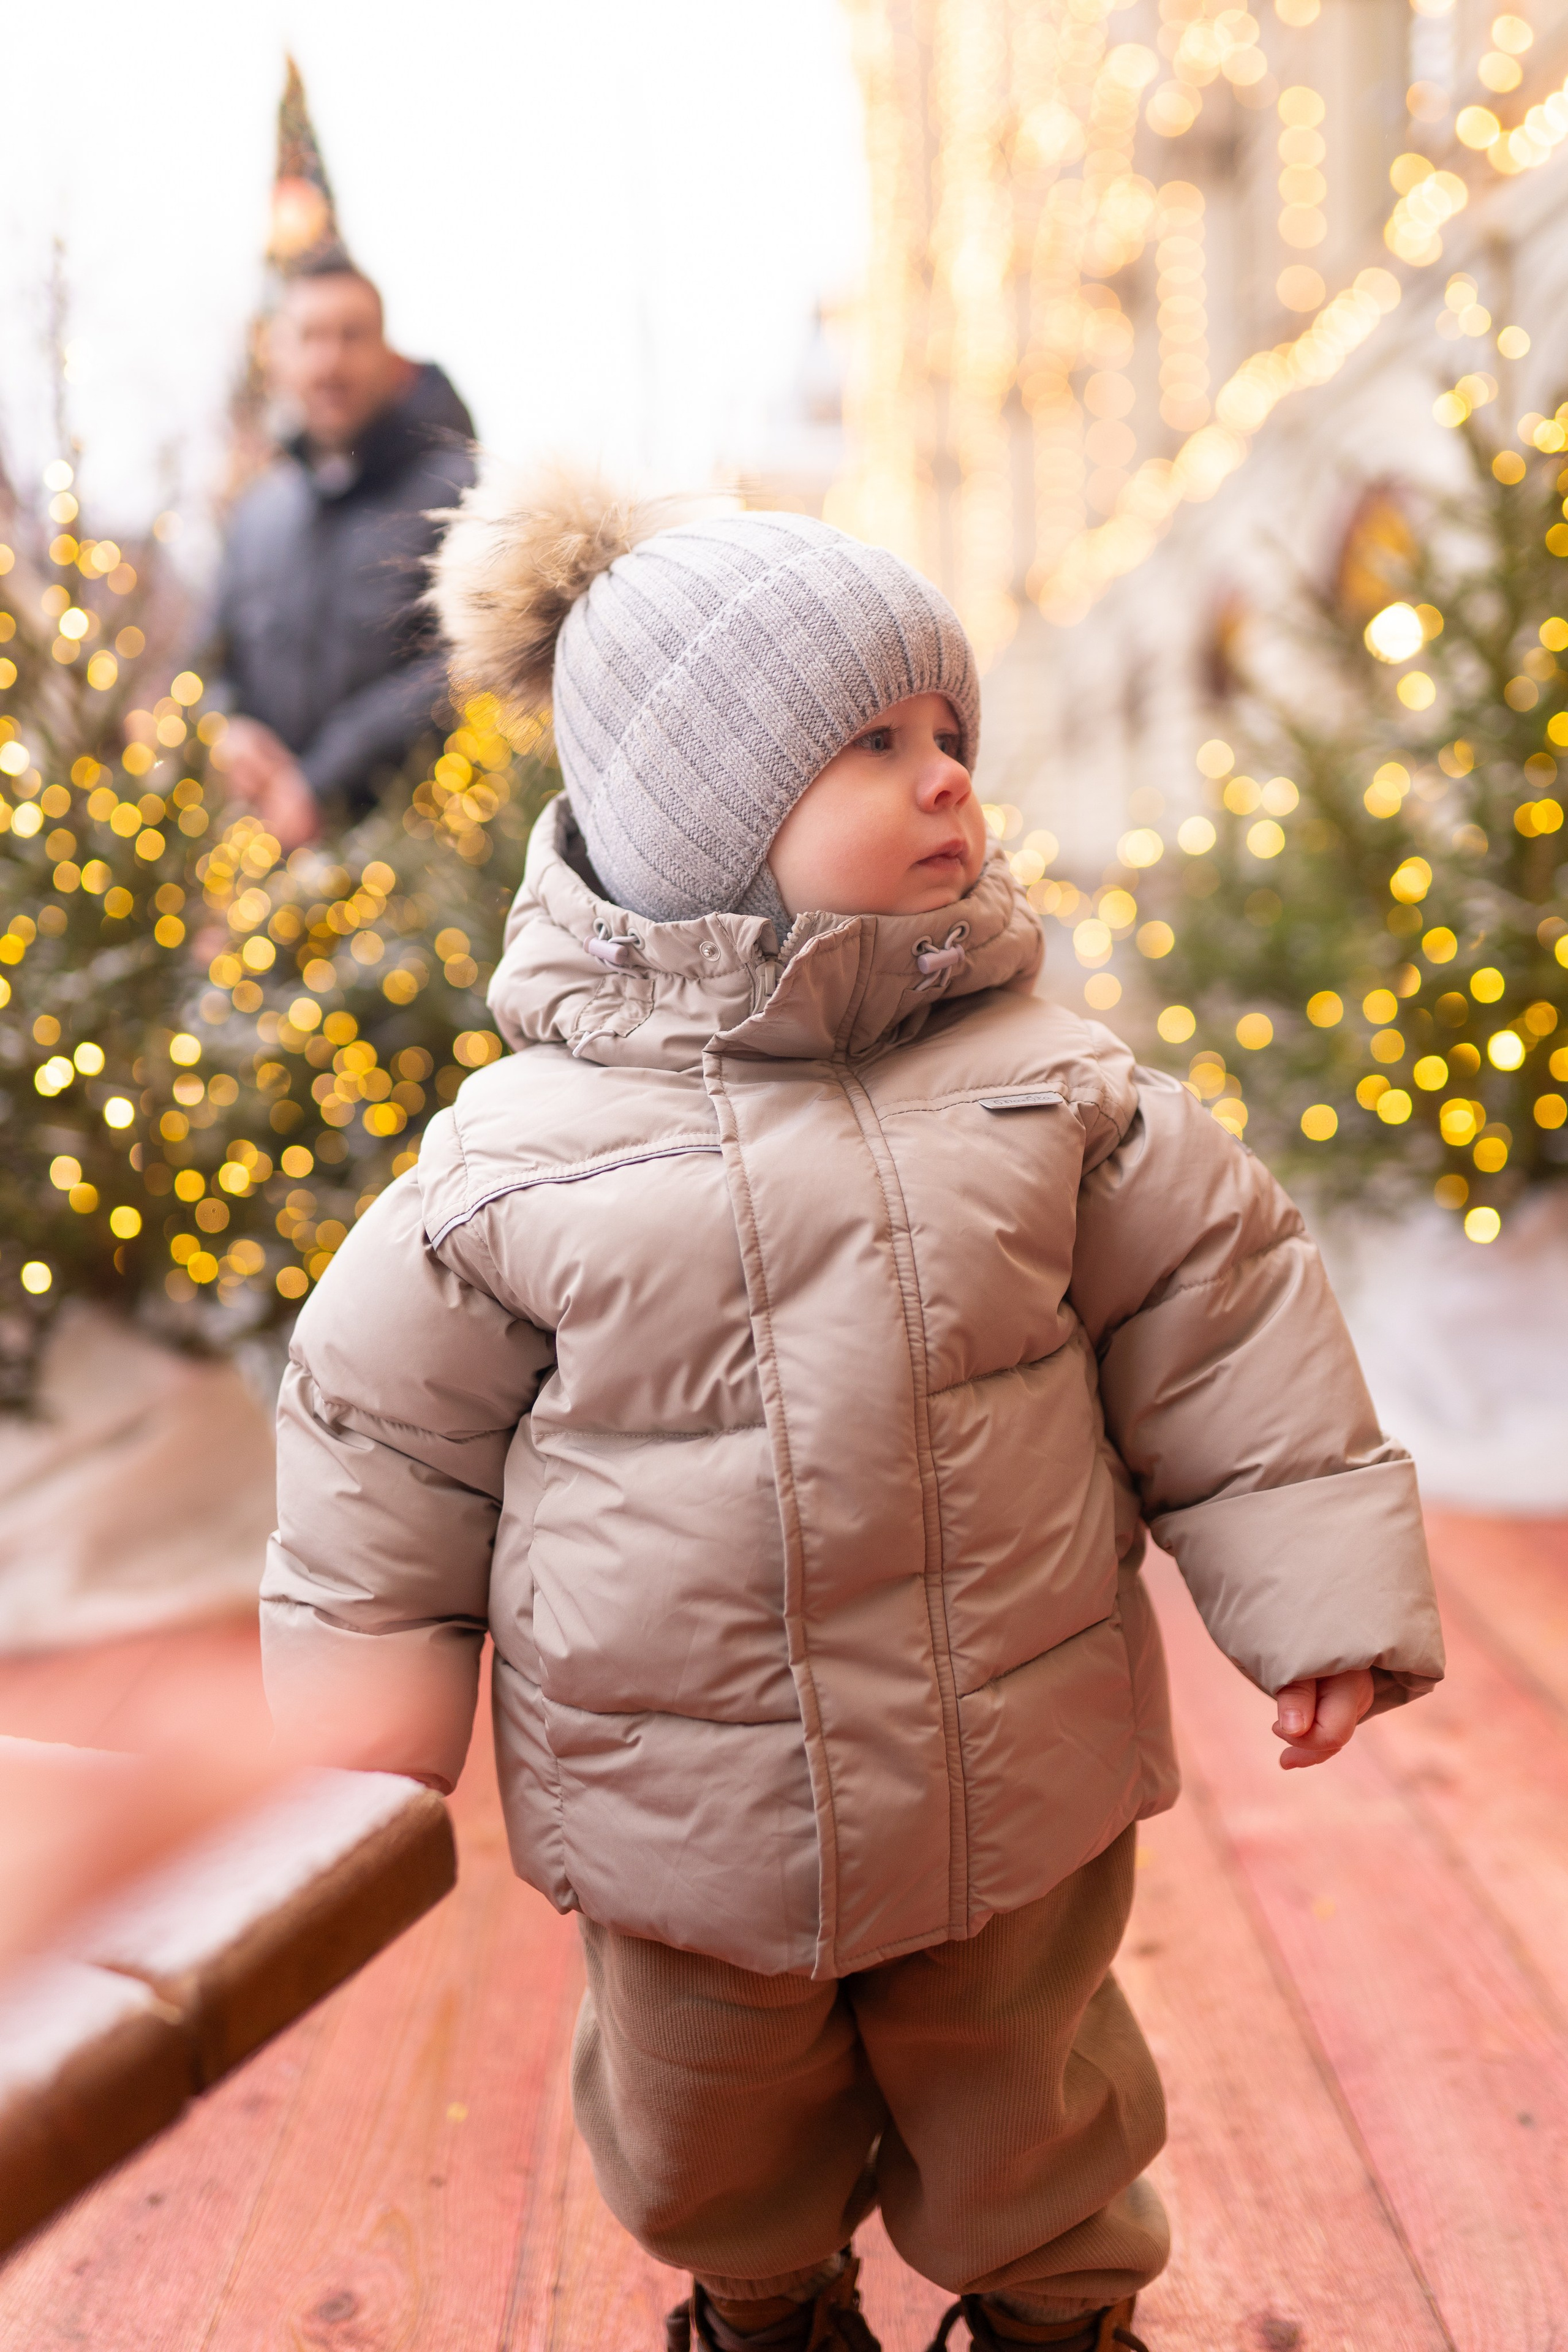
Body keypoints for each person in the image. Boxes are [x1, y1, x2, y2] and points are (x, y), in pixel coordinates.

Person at [260, 482, 1445, 2352]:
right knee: (704, 2116)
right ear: (701, 819)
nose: (949, 780)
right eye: (876, 744)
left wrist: (1315, 1589)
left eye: (952, 736)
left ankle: (1057, 2305)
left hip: (1009, 1757)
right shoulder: (515, 1159)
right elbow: (380, 1433)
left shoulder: (1052, 1087)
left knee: (1029, 2087)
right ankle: (761, 2301)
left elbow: (1217, 1324)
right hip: (679, 1792)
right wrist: (368, 1703)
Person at [206, 259, 475, 847]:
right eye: (309, 337)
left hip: (418, 864)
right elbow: (208, 661)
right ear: (278, 357)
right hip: (258, 863)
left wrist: (319, 780)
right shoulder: (256, 513)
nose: (330, 361)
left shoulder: (456, 491)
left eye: (352, 336)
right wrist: (223, 727)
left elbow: (464, 667)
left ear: (389, 355)